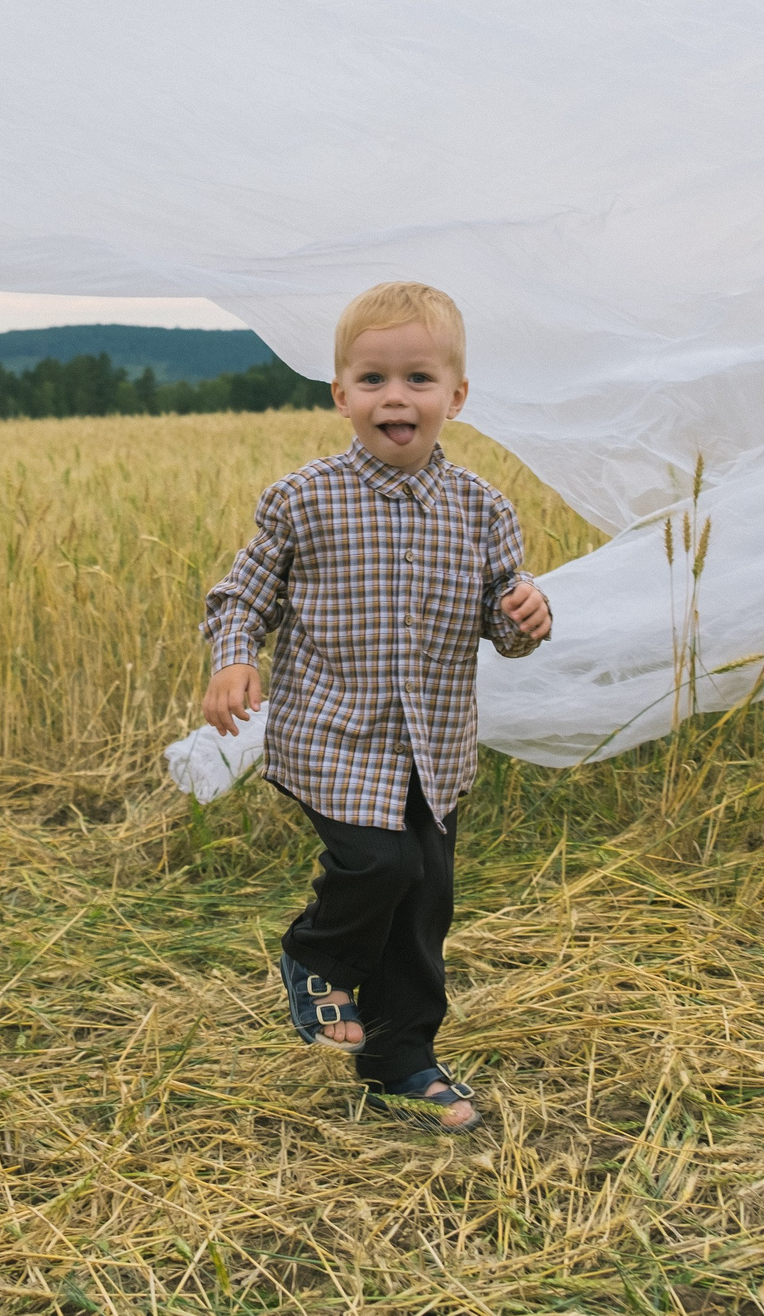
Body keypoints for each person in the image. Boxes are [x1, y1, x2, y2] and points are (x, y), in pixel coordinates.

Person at [201, 281, 552, 1132]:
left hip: (433, 745)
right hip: (335, 734)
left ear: (455, 397)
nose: (396, 396)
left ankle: (401, 1056)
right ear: (341, 394)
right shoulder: (304, 499)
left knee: (426, 898)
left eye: (419, 379)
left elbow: (501, 621)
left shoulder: (482, 510)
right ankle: (315, 953)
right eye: (373, 379)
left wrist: (526, 618)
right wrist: (235, 658)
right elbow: (242, 595)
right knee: (380, 867)